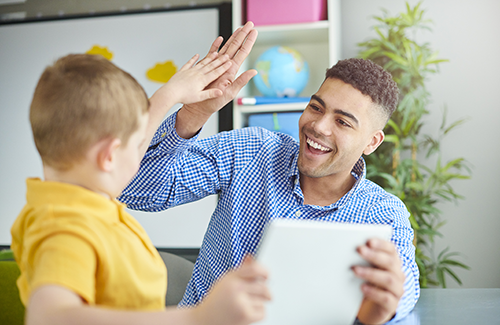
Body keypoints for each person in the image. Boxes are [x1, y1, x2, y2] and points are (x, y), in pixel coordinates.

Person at [119, 27, 419, 325]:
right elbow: (135, 189)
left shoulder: (384, 214)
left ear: (372, 142)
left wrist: (384, 305)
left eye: (342, 122)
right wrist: (193, 114)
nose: (319, 127)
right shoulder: (252, 151)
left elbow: (403, 296)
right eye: (316, 107)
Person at [10, 29, 272, 325]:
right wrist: (198, 318)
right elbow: (49, 317)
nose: (142, 154)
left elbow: (123, 151)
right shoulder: (66, 225)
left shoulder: (83, 196)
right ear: (108, 156)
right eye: (139, 145)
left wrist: (169, 95)